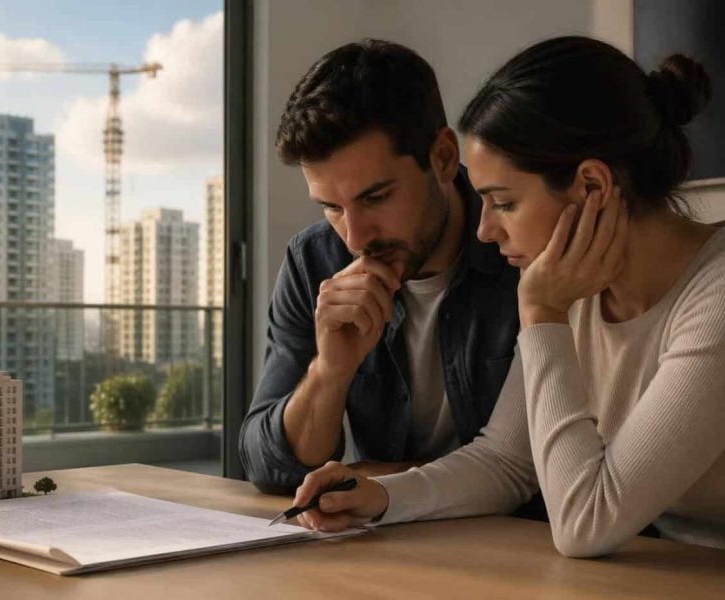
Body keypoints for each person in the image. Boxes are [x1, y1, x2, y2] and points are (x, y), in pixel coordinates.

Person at [291, 35, 725, 557]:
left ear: (591, 186)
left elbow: (587, 521)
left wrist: (542, 313)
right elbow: (506, 460)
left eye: (503, 203)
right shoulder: (578, 286)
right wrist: (381, 496)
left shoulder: (708, 297)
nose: (485, 230)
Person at [238, 39, 530, 504]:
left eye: (375, 198)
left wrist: (393, 481)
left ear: (443, 157)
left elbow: (535, 471)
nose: (354, 238)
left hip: (512, 539)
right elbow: (267, 466)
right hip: (384, 536)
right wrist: (330, 372)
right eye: (332, 207)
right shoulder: (314, 260)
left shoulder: (522, 246)